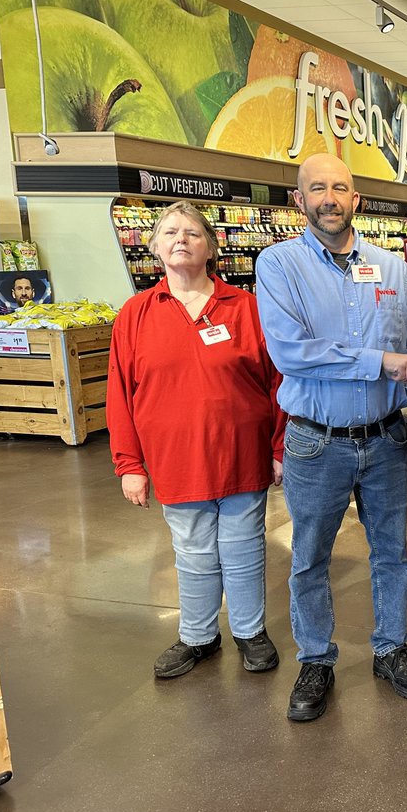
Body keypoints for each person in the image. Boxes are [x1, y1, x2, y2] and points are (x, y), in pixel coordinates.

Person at [256, 152, 407, 722]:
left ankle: (390, 648)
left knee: (393, 553)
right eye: (317, 189)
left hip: (385, 440)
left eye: (340, 188)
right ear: (299, 200)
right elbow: (291, 354)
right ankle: (315, 660)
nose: (329, 198)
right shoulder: (278, 266)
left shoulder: (395, 270)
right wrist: (380, 362)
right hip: (316, 441)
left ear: (356, 199)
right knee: (309, 557)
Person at [106, 200, 285, 680]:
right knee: (192, 551)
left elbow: (277, 382)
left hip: (241, 456)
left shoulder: (246, 308)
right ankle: (198, 636)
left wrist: (277, 448)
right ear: (156, 248)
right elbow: (120, 394)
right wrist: (130, 465)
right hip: (175, 461)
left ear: (211, 247)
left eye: (191, 232)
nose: (180, 239)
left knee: (244, 546)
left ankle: (250, 631)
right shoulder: (136, 314)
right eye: (169, 233)